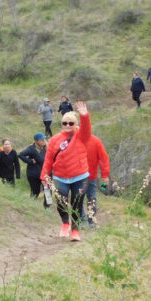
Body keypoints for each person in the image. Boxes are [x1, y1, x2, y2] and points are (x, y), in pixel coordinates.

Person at [40, 102, 91, 242]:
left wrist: (84, 115)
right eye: (65, 123)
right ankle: (65, 223)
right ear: (62, 123)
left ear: (75, 124)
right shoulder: (55, 139)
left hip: (80, 176)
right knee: (61, 201)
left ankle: (75, 230)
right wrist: (44, 175)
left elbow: (86, 129)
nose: (68, 125)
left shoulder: (81, 136)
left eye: (71, 123)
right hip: (60, 176)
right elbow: (48, 159)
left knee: (77, 203)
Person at [81, 134, 110, 229]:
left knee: (91, 198)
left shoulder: (96, 141)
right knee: (77, 198)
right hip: (76, 176)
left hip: (91, 176)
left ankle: (91, 218)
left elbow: (103, 158)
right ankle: (81, 218)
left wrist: (104, 175)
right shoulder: (72, 140)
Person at [18, 133, 48, 204]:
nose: (44, 140)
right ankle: (31, 206)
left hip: (45, 174)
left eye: (44, 139)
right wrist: (30, 161)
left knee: (48, 191)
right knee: (35, 192)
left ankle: (47, 207)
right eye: (42, 139)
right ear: (36, 141)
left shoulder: (46, 148)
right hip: (33, 175)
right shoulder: (31, 148)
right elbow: (21, 155)